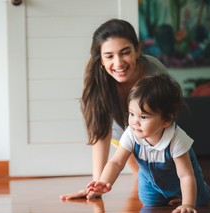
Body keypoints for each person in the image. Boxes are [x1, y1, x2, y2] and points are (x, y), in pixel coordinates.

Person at [63, 73, 210, 213]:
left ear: (166, 121)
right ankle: (165, 196)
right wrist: (104, 182)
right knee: (150, 203)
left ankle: (190, 195)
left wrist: (188, 204)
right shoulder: (132, 132)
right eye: (131, 114)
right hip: (150, 181)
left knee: (199, 199)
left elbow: (185, 175)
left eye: (144, 117)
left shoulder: (176, 139)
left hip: (179, 179)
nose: (135, 122)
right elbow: (116, 162)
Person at [62, 19, 168, 200]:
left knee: (159, 182)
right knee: (142, 178)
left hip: (155, 131)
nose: (118, 63)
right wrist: (96, 185)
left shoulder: (155, 73)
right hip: (122, 134)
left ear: (137, 50)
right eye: (109, 56)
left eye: (125, 53)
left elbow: (166, 122)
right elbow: (101, 132)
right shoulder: (98, 80)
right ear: (101, 59)